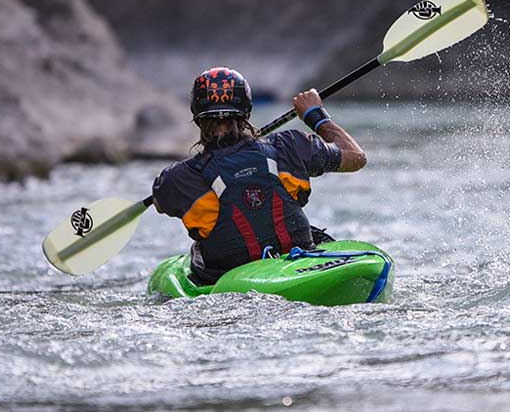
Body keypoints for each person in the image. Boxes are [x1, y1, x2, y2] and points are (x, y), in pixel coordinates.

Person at [150, 67, 367, 285]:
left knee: (198, 252)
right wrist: (315, 115)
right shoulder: (289, 145)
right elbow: (356, 157)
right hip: (299, 260)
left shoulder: (178, 178)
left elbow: (160, 203)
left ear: (196, 117)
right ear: (247, 112)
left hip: (230, 280)